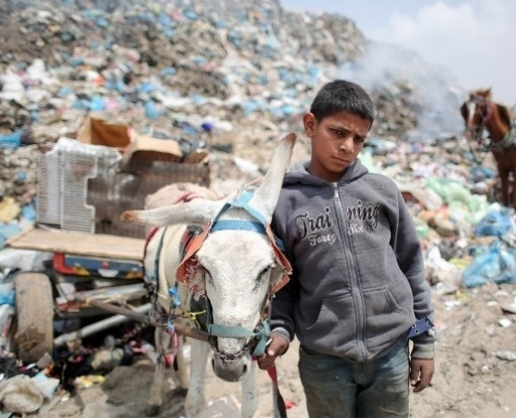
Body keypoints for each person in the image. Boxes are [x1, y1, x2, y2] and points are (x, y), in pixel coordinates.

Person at [258, 79, 435, 418]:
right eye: (337, 133)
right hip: (325, 362)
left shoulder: (382, 191)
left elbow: (411, 268)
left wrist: (424, 342)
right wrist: (280, 332)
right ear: (310, 125)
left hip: (390, 353)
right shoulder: (285, 203)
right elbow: (284, 286)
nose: (348, 147)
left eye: (359, 139)